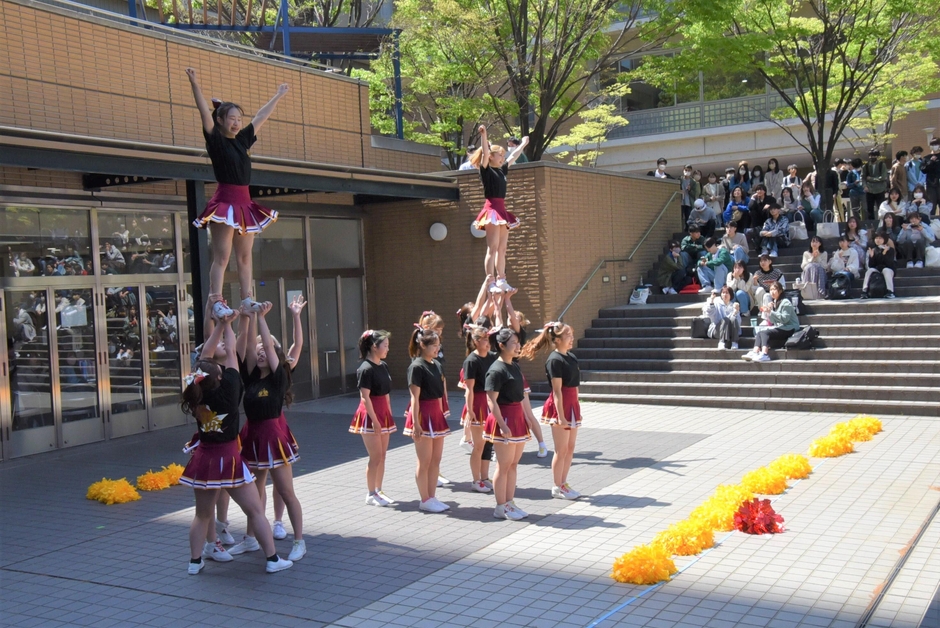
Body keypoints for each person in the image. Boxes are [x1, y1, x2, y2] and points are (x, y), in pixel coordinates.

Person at [178, 309, 292, 575]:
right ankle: (273, 560)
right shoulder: (230, 388)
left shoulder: (194, 394)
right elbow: (231, 352)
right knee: (255, 511)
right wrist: (227, 325)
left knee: (201, 514)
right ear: (219, 376)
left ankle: (195, 562)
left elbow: (205, 357)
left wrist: (219, 325)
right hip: (229, 459)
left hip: (204, 459)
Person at [185, 68, 287, 318]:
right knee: (222, 255)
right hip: (226, 201)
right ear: (220, 120)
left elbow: (261, 116)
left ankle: (247, 299)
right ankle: (216, 300)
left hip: (245, 203)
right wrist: (195, 83)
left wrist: (278, 95)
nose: (236, 122)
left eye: (239, 119)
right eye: (231, 118)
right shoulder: (216, 141)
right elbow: (202, 112)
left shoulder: (242, 140)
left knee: (244, 256)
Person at [231, 302, 305, 562]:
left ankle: (299, 540)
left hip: (274, 437)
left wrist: (262, 318)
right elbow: (249, 347)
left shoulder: (279, 377)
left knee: (286, 491)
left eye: (267, 349)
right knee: (255, 490)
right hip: (251, 437)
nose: (261, 352)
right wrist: (248, 317)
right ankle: (251, 539)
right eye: (259, 350)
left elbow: (282, 349)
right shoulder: (251, 378)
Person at [522, 322, 582, 500]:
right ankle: (557, 486)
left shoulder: (571, 357)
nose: (571, 338)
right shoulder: (554, 360)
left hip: (572, 404)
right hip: (560, 406)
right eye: (568, 335)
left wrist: (576, 409)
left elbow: (575, 386)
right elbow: (557, 391)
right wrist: (561, 416)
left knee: (570, 448)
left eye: (571, 334)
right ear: (557, 339)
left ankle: (564, 483)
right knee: (561, 449)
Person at [471, 125, 528, 293]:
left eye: (504, 154)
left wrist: (522, 145)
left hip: (501, 210)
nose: (503, 157)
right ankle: (490, 281)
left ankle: (501, 279)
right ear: (491, 156)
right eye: (500, 154)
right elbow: (485, 154)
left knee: (502, 248)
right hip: (491, 210)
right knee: (493, 247)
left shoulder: (502, 171)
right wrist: (484, 135)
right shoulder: (486, 170)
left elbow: (514, 156)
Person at [483, 327, 530, 520]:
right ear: (501, 345)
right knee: (503, 465)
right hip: (504, 418)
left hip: (517, 417)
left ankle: (510, 502)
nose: (518, 346)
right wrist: (502, 424)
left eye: (519, 343)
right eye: (514, 343)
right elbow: (491, 401)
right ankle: (500, 506)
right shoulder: (496, 369)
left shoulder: (514, 366)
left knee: (513, 464)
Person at [404, 328, 451, 513]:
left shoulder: (437, 365)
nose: (437, 349)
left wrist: (442, 414)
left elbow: (441, 394)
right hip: (423, 414)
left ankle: (432, 497)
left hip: (436, 414)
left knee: (436, 460)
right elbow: (414, 398)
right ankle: (424, 498)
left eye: (439, 345)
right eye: (434, 345)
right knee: (424, 461)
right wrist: (415, 423)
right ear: (422, 345)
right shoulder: (416, 366)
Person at [350, 330, 396, 506]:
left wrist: (388, 413)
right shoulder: (365, 369)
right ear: (374, 347)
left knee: (383, 455)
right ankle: (370, 493)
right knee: (375, 456)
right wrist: (375, 421)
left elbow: (386, 393)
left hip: (383, 413)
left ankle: (379, 490)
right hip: (370, 415)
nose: (387, 349)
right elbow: (365, 397)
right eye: (385, 346)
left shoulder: (383, 366)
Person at [461, 325, 496, 494]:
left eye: (488, 339)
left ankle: (484, 476)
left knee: (489, 443)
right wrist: (470, 409)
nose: (487, 342)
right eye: (484, 339)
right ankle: (476, 480)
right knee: (479, 445)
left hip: (490, 402)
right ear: (475, 341)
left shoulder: (491, 357)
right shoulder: (471, 361)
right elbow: (469, 388)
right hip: (477, 403)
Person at [742, 282, 800, 362]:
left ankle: (765, 354)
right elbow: (773, 321)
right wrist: (770, 311)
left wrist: (771, 312)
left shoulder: (785, 302)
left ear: (780, 291)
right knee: (760, 332)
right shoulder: (775, 303)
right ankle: (755, 352)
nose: (772, 292)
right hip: (782, 327)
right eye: (770, 290)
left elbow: (785, 319)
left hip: (790, 328)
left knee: (764, 333)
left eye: (774, 289)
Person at [862, 231, 897, 299]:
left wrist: (884, 254)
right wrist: (871, 257)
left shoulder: (890, 250)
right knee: (869, 271)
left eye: (880, 238)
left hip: (889, 269)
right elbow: (872, 265)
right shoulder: (874, 250)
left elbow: (889, 263)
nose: (878, 240)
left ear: (884, 239)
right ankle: (864, 291)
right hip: (878, 268)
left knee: (886, 270)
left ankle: (890, 292)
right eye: (876, 238)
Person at [862, 149, 889, 220]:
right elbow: (863, 177)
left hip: (880, 189)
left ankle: (882, 222)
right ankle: (871, 224)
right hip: (869, 190)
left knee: (881, 207)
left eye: (874, 155)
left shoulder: (882, 165)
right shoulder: (866, 166)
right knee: (869, 209)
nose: (872, 157)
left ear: (877, 156)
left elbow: (883, 177)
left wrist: (871, 179)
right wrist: (864, 186)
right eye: (870, 155)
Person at [923, 138, 940, 207]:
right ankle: (932, 217)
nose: (934, 146)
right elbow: (923, 170)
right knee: (931, 205)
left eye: (936, 144)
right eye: (932, 145)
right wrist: (931, 162)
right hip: (930, 185)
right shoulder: (926, 158)